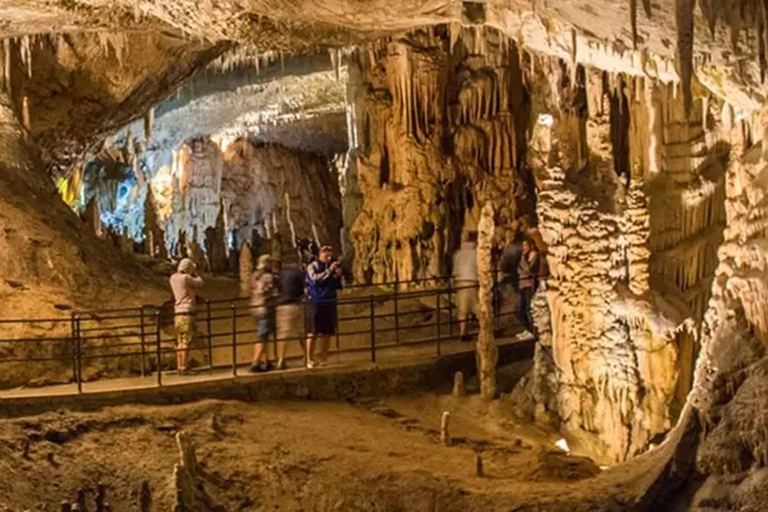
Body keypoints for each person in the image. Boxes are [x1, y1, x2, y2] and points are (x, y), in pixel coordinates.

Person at [305, 245, 343, 368]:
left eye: (330, 254)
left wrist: (338, 275)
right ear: (320, 254)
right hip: (315, 303)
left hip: (329, 302)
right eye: (326, 254)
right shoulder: (312, 267)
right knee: (313, 332)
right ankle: (310, 359)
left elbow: (338, 286)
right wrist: (329, 271)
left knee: (327, 332)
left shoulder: (332, 267)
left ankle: (323, 358)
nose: (328, 256)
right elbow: (315, 280)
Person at [169, 258, 204, 373]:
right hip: (186, 312)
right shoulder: (186, 278)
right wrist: (195, 273)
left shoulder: (173, 278)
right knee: (186, 341)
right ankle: (184, 367)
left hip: (177, 312)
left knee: (180, 341)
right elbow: (200, 282)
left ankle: (180, 365)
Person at [275, 258, 306, 370]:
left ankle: (281, 359)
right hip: (295, 304)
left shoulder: (281, 274)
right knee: (302, 331)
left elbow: (277, 288)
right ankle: (307, 356)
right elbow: (303, 289)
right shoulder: (298, 273)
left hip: (282, 305)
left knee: (283, 334)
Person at [249, 254, 279, 372]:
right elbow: (270, 291)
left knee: (264, 336)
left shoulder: (254, 276)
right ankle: (255, 362)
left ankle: (266, 360)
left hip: (256, 308)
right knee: (262, 336)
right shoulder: (268, 277)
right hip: (265, 308)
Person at [452, 232, 479, 341]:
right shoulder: (476, 253)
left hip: (460, 282)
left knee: (463, 309)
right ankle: (485, 331)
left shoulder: (458, 254)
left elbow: (455, 269)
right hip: (472, 282)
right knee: (479, 308)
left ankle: (463, 332)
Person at [517, 238, 540, 333]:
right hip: (523, 283)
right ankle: (528, 329)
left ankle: (533, 330)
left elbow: (529, 269)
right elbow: (518, 270)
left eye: (525, 245)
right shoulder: (525, 257)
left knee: (528, 308)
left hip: (530, 284)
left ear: (531, 246)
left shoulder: (534, 256)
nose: (524, 247)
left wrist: (523, 261)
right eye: (523, 245)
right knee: (521, 309)